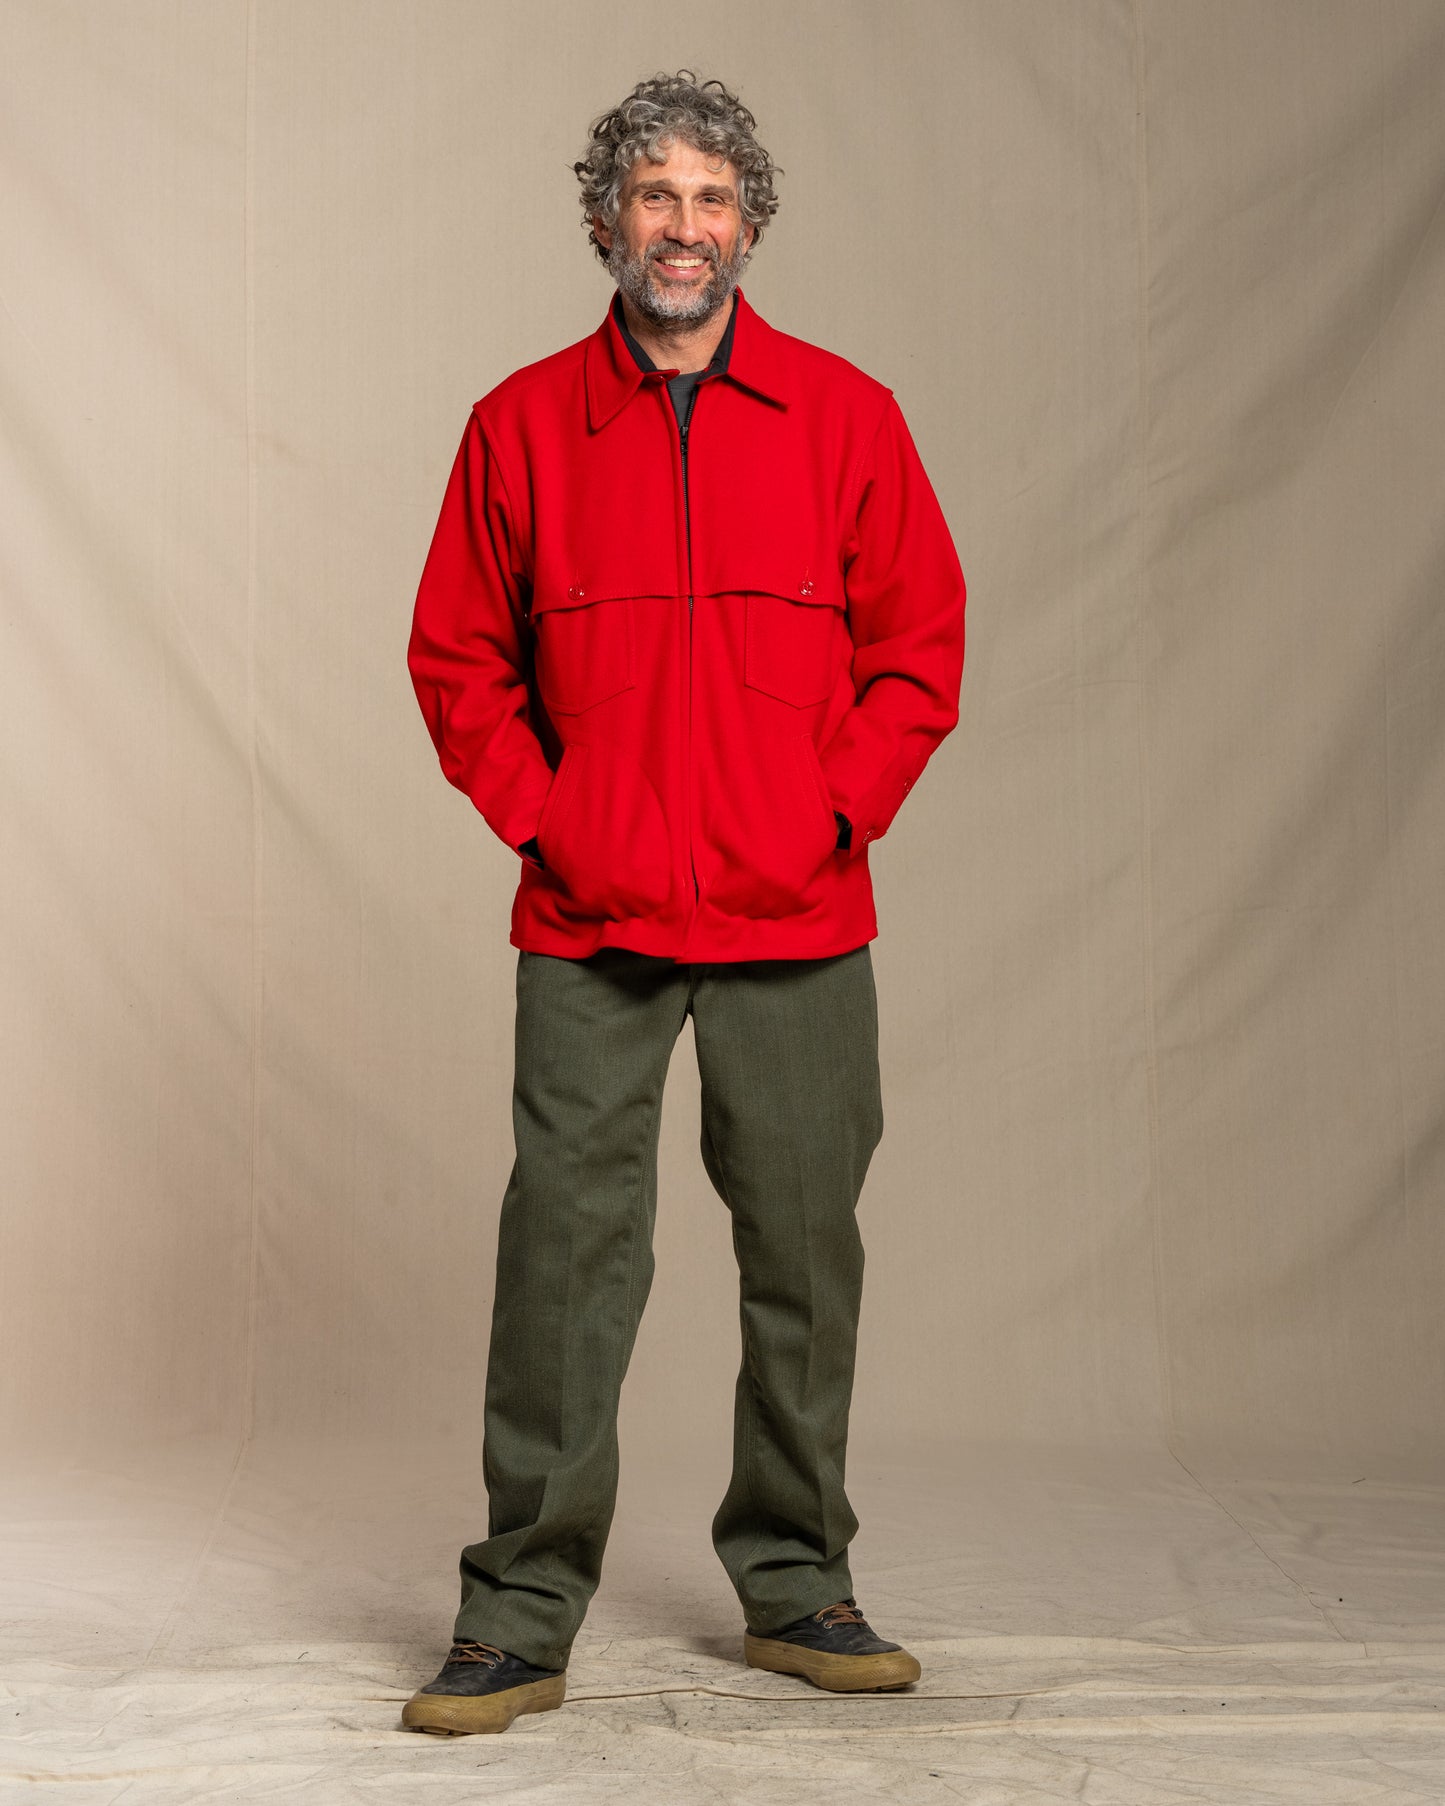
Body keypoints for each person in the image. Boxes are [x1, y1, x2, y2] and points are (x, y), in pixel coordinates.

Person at [401, 68, 966, 1736]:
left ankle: (798, 1581)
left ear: (748, 228)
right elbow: (456, 662)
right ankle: (517, 1610)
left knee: (802, 1252)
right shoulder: (518, 425)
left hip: (801, 914)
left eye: (712, 198)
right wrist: (556, 821)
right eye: (653, 193)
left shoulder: (848, 417)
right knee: (566, 1261)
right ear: (604, 220)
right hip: (590, 918)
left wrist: (829, 809)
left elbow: (917, 653)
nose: (683, 225)